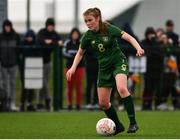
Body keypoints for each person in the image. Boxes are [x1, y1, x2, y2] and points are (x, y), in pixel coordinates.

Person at [66, 7, 144, 135]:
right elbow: (80, 53)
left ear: (98, 19)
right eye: (86, 21)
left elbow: (129, 38)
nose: (88, 23)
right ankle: (118, 126)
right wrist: (73, 68)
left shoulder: (109, 28)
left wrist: (138, 48)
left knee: (122, 88)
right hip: (104, 68)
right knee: (103, 103)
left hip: (118, 63)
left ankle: (133, 123)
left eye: (90, 20)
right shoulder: (87, 36)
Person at [37, 18, 62, 111]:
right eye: (49, 25)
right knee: (43, 81)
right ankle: (48, 99)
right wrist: (47, 41)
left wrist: (51, 42)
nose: (51, 27)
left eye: (52, 25)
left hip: (48, 61)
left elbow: (60, 42)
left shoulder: (54, 34)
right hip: (39, 60)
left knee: (45, 81)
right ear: (47, 25)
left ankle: (40, 103)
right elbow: (39, 40)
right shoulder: (42, 32)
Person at [0, 19, 20, 111]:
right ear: (4, 27)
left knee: (12, 84)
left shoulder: (15, 36)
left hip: (13, 64)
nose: (7, 28)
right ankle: (5, 103)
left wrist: (17, 60)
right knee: (4, 84)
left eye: (9, 26)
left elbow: (19, 50)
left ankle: (12, 103)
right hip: (3, 64)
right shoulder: (1, 37)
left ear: (11, 27)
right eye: (6, 26)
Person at [63, 28, 85, 110]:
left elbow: (82, 53)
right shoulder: (67, 43)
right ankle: (69, 104)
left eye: (76, 34)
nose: (75, 35)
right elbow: (64, 53)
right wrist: (75, 55)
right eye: (73, 34)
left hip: (80, 67)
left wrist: (75, 55)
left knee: (79, 85)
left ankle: (78, 104)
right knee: (69, 86)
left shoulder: (81, 43)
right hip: (69, 67)